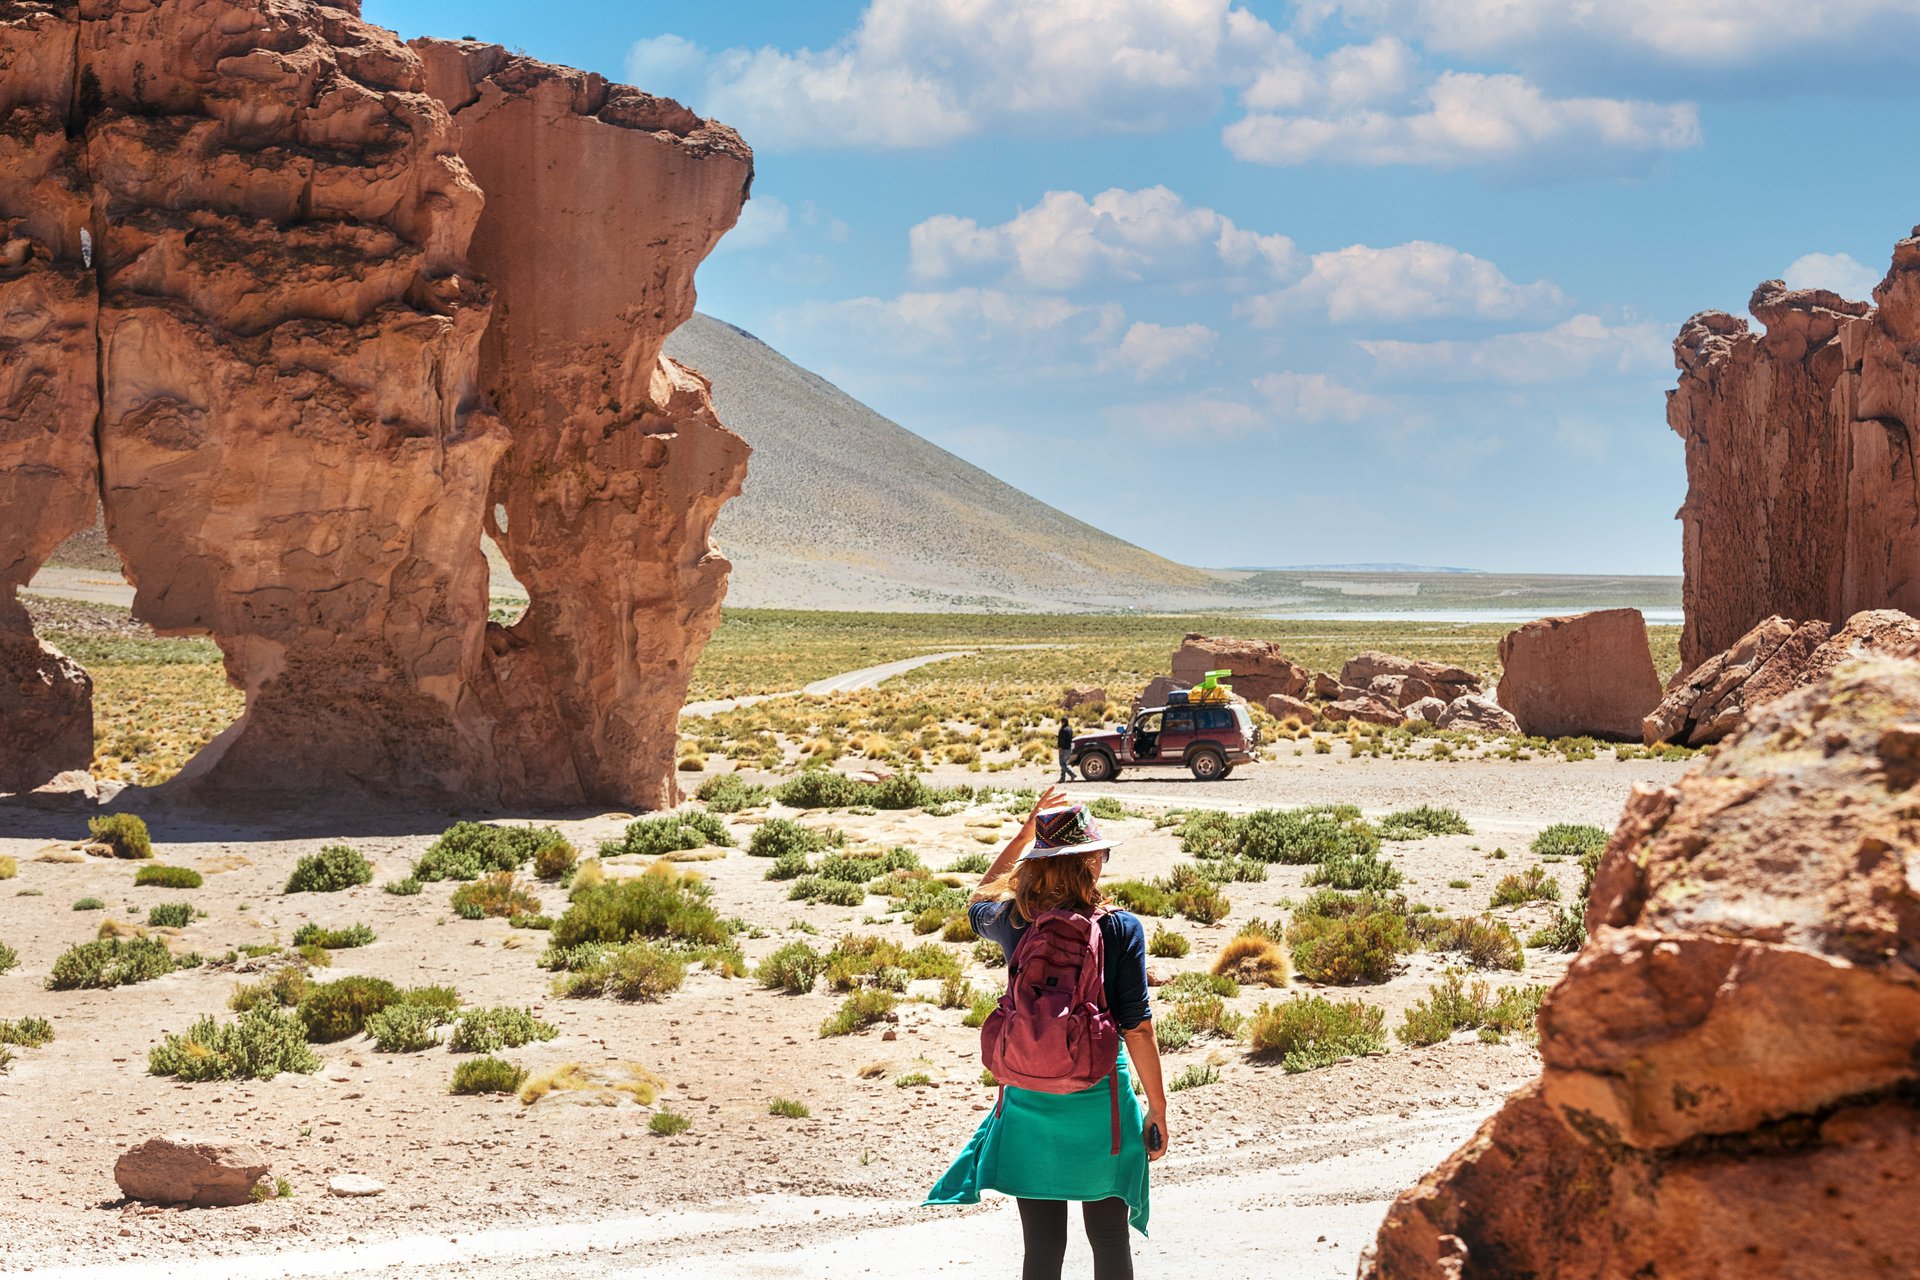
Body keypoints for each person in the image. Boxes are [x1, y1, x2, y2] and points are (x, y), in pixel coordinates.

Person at [925, 787, 1167, 1280]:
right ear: (1091, 863)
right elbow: (1137, 1027)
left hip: (1028, 1095)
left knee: (1042, 1248)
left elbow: (978, 895)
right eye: (1098, 852)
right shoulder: (1121, 928)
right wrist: (1157, 1108)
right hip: (1101, 1099)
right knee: (1107, 1238)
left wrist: (1024, 832)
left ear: (1041, 861)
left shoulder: (1014, 919)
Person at [1055, 718, 1076, 782]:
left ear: (1063, 722)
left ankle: (1072, 774)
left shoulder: (1062, 729)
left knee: (1062, 764)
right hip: (1069, 748)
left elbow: (1061, 740)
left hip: (1063, 748)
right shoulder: (1070, 729)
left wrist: (1060, 748)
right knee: (1065, 763)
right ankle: (1062, 778)